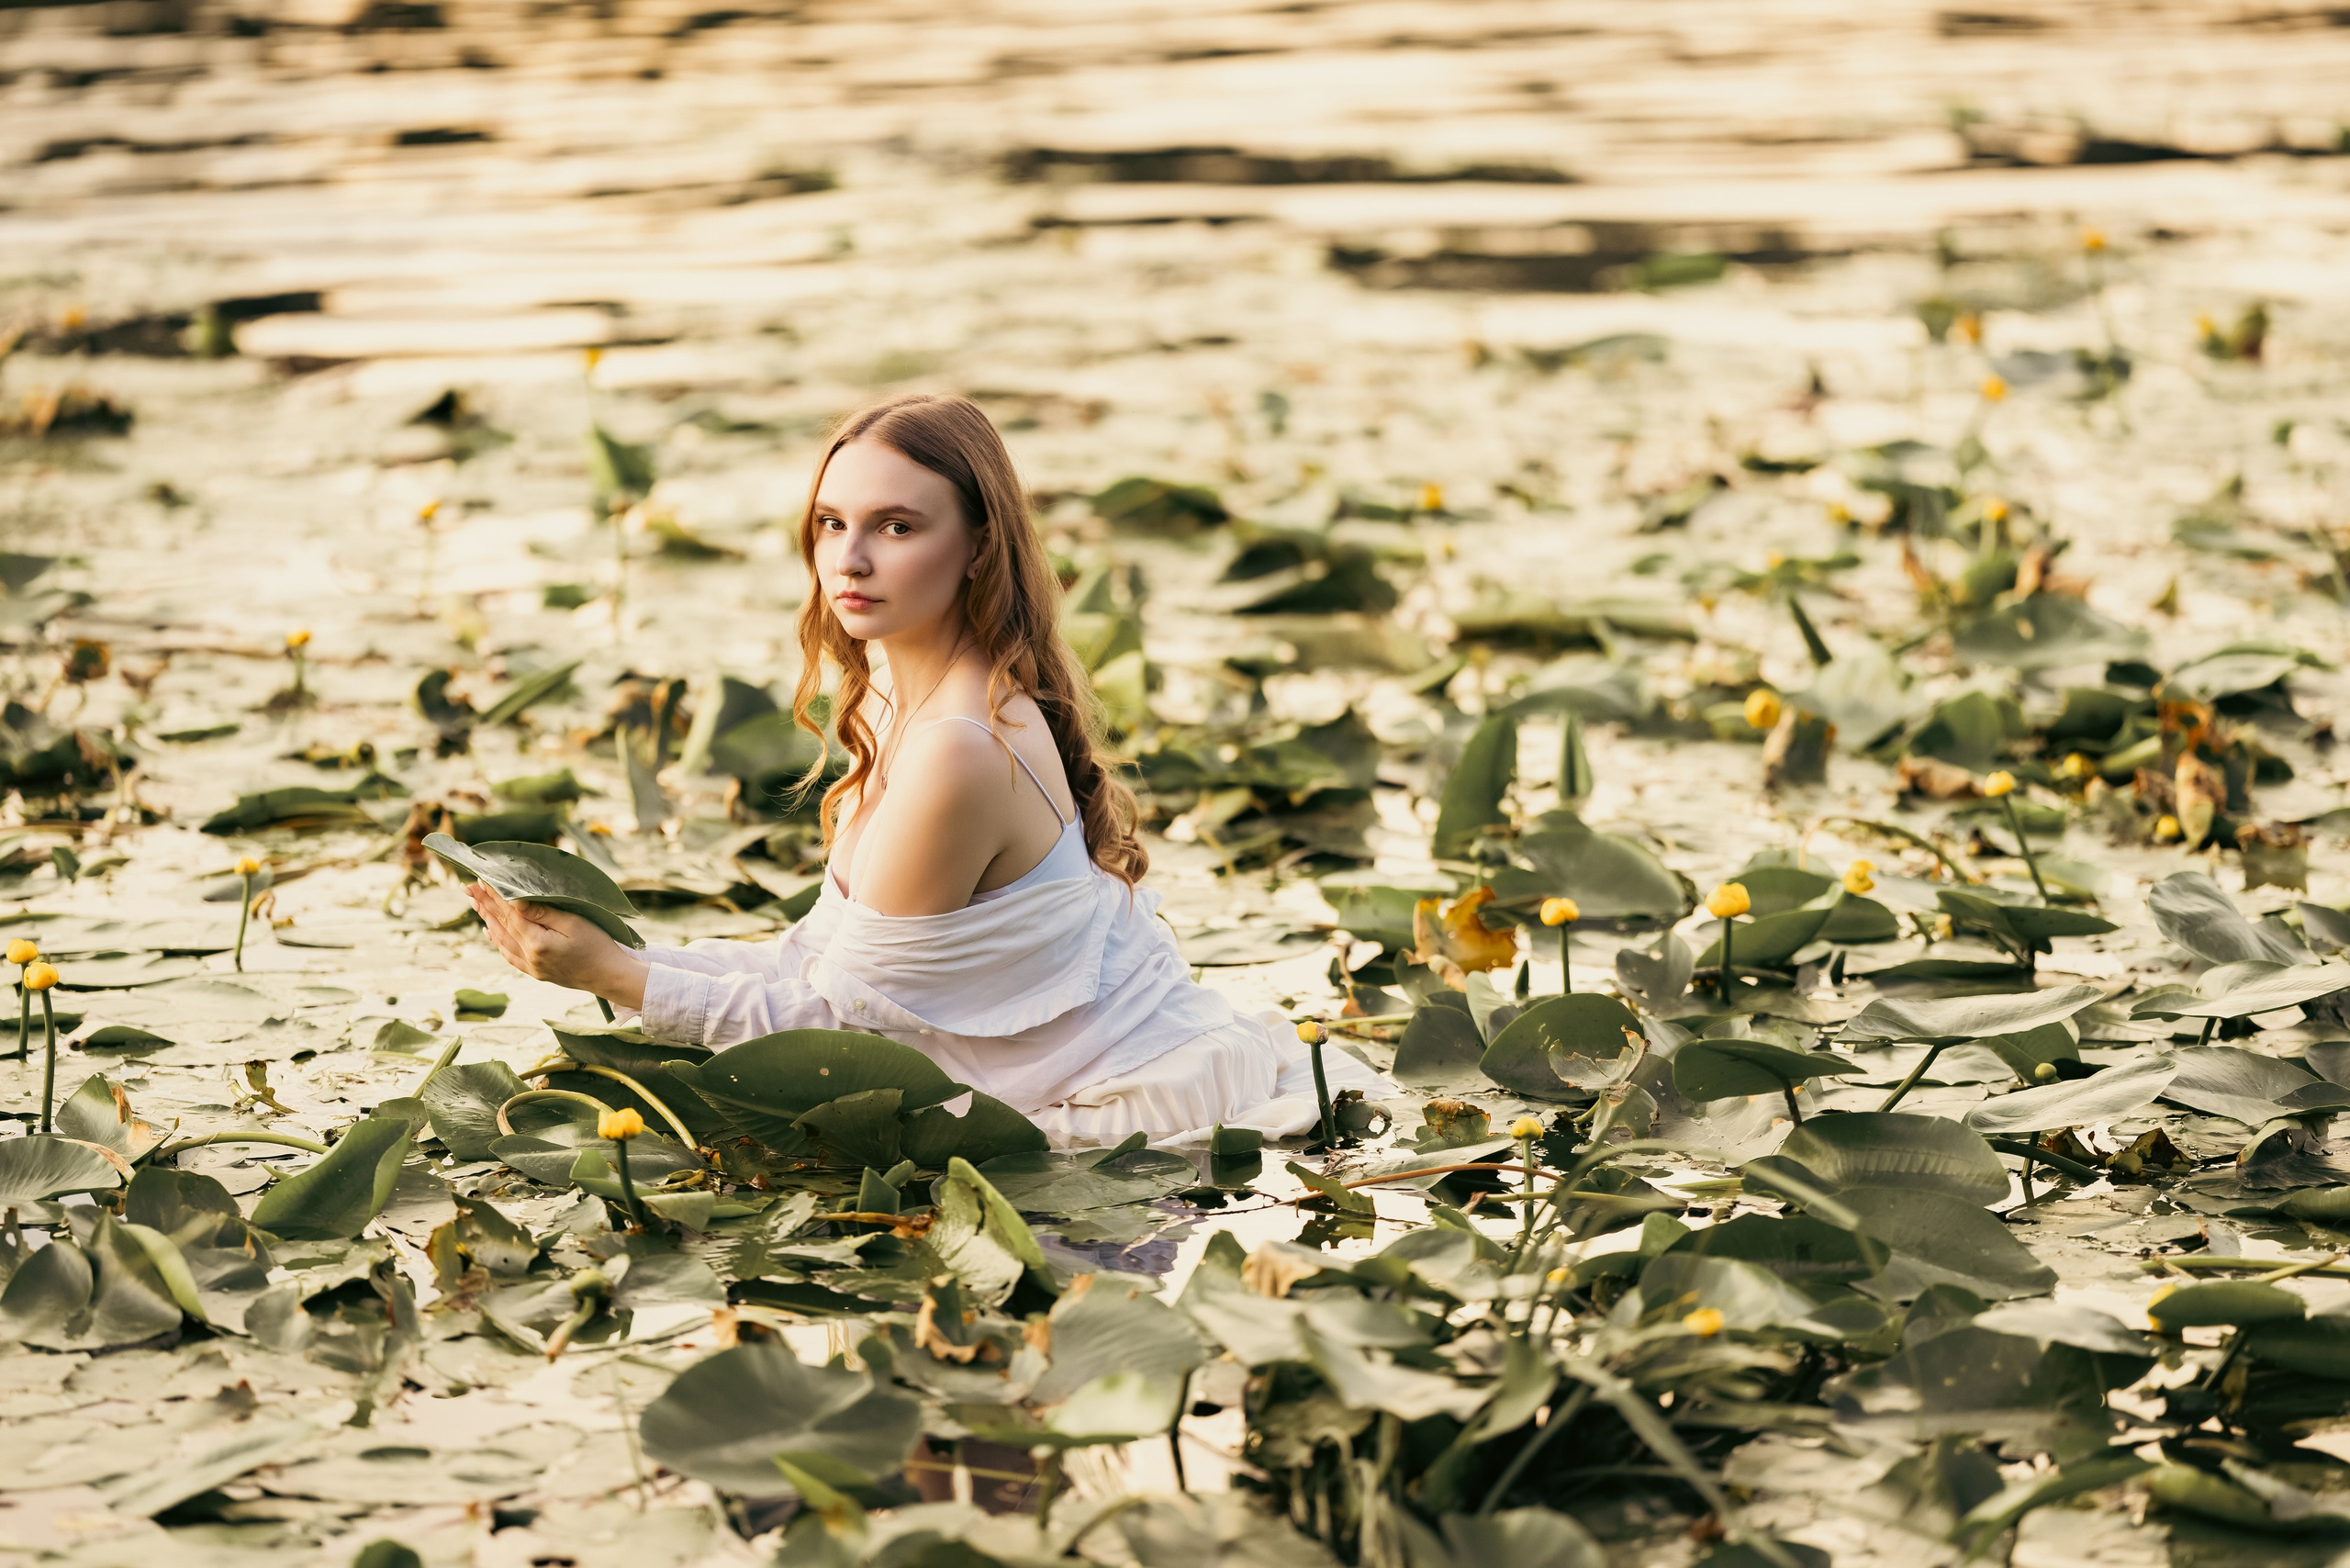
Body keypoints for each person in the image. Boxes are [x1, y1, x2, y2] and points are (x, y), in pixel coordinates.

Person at [465, 391, 1392, 1147]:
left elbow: (841, 1034)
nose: (850, 559)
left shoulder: (958, 746)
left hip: (1122, 1127)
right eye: (831, 523)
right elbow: (819, 966)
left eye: (897, 526)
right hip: (1056, 1075)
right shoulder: (882, 700)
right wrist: (624, 957)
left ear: (980, 544)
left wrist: (621, 981)